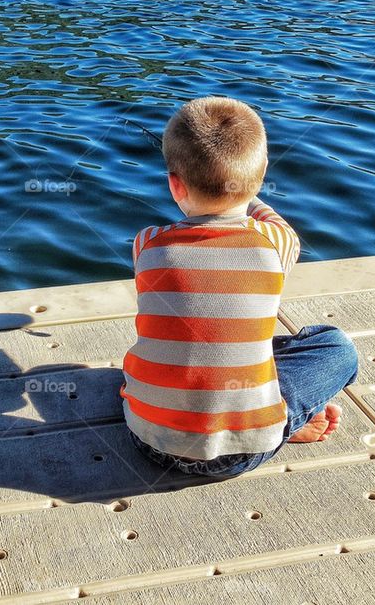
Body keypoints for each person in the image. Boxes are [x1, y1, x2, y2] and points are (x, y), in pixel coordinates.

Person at [122, 97, 359, 479]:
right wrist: (246, 194)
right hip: (239, 454)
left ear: (173, 184)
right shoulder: (277, 243)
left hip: (146, 438)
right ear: (261, 175)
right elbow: (282, 230)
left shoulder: (146, 242)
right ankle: (288, 422)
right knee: (335, 347)